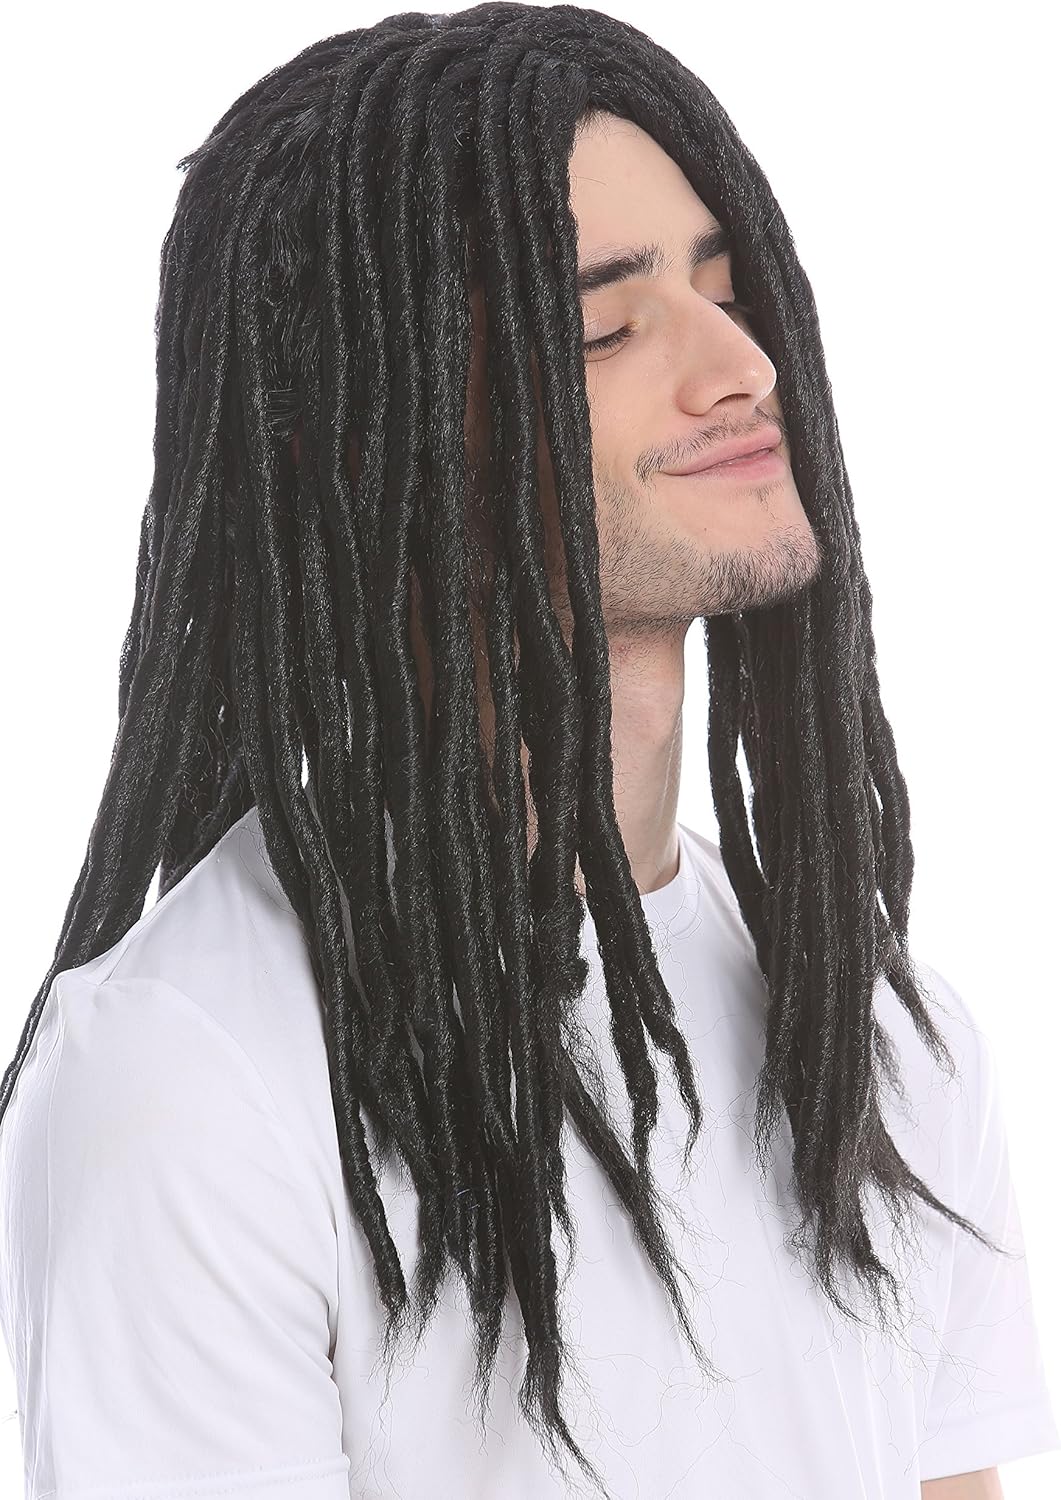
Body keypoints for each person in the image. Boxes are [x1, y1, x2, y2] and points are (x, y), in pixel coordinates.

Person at [0, 6, 1056, 1498]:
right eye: (604, 328)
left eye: (724, 288)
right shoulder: (193, 1074)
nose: (741, 365)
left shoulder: (876, 1036)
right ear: (369, 434)